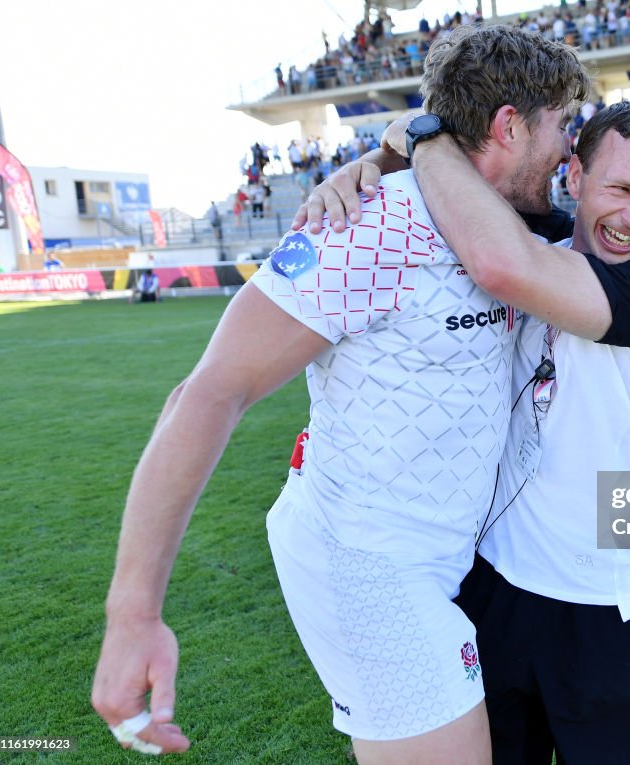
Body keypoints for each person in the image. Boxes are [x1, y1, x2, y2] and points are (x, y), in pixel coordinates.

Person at [91, 24, 591, 764]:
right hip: (366, 561)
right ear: (509, 125)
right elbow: (208, 392)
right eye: (562, 126)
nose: (569, 150)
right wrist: (132, 612)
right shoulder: (366, 223)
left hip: (445, 558)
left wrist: (391, 144)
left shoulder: (518, 227)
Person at [308, 97, 630, 765]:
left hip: (609, 607)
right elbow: (450, 176)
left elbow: (500, 261)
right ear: (572, 177)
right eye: (621, 187)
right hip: (494, 590)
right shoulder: (529, 234)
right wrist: (369, 164)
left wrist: (422, 137)